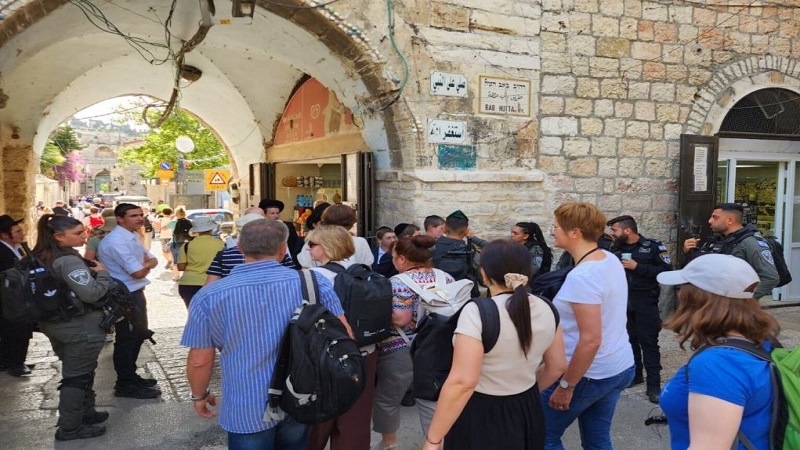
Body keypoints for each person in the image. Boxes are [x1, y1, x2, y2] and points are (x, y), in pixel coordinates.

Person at [181, 219, 348, 449]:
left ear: (240, 248)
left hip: (246, 402)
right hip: (301, 393)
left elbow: (200, 360)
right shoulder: (313, 283)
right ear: (283, 249)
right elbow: (343, 335)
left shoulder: (209, 296)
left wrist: (199, 395)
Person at [423, 240, 567, 450]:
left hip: (481, 411)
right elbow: (557, 366)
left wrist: (433, 439)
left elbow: (462, 383)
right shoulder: (548, 307)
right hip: (527, 406)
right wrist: (521, 389)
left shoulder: (478, 312)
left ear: (484, 273)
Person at [657, 254, 779, 450]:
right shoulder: (762, 340)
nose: (678, 295)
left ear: (697, 299)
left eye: (681, 289)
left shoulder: (719, 363)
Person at [541, 202, 635, 450]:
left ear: (575, 232)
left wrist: (567, 385)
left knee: (542, 436)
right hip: (617, 365)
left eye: (556, 227)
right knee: (597, 440)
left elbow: (591, 339)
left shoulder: (583, 276)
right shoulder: (609, 259)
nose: (552, 232)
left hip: (588, 373)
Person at [31, 214, 110, 440]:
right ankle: (70, 427)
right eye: (77, 233)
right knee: (77, 377)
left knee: (81, 371)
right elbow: (91, 294)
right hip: (79, 327)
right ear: (59, 236)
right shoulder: (68, 260)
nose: (84, 235)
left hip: (56, 324)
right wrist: (103, 274)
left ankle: (86, 412)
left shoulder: (40, 256)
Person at [372, 235, 454, 450]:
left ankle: (389, 443)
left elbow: (401, 318)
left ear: (401, 259)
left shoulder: (397, 282)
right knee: (435, 399)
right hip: (440, 347)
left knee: (388, 399)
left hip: (402, 346)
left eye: (393, 257)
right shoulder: (445, 277)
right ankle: (436, 442)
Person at [305, 225, 378, 450]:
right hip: (364, 352)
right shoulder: (365, 273)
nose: (308, 248)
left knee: (318, 417)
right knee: (355, 420)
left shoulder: (312, 278)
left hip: (323, 356)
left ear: (326, 247)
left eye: (312, 244)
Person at [97, 203, 161, 399]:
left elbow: (154, 260)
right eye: (133, 215)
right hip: (125, 295)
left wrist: (145, 265)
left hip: (134, 292)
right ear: (119, 219)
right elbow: (137, 272)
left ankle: (130, 376)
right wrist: (145, 265)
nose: (140, 218)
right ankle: (125, 383)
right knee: (127, 339)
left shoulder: (131, 236)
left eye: (140, 214)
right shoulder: (116, 241)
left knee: (138, 335)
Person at [607, 215, 672, 404]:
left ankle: (654, 385)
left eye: (615, 230)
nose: (612, 234)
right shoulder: (614, 248)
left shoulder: (653, 246)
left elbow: (666, 272)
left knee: (649, 342)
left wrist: (638, 267)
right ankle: (636, 376)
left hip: (645, 301)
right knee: (630, 341)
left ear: (627, 230)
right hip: (623, 302)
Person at [682, 203, 779, 299]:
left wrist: (742, 299)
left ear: (729, 220)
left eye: (715, 217)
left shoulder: (750, 243)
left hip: (732, 306)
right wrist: (688, 252)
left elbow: (770, 278)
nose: (710, 221)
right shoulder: (716, 240)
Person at [0, 214, 35, 376]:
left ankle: (10, 360)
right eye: (18, 231)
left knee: (17, 329)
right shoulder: (2, 252)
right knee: (15, 329)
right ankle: (15, 363)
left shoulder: (17, 248)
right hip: (9, 299)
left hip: (18, 297)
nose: (22, 233)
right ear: (4, 235)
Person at [431, 210, 487, 298]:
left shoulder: (432, 248)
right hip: (464, 296)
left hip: (438, 296)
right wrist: (471, 238)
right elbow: (481, 277)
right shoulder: (471, 251)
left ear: (444, 229)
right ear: (466, 231)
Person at [297, 204, 374, 268]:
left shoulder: (314, 242)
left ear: (324, 220)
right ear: (351, 223)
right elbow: (367, 270)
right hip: (352, 281)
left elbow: (306, 271)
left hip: (319, 280)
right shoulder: (360, 242)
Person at [177, 216, 224, 307]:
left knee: (193, 312)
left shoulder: (187, 246)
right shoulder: (221, 244)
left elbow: (181, 267)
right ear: (211, 229)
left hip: (188, 284)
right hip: (213, 283)